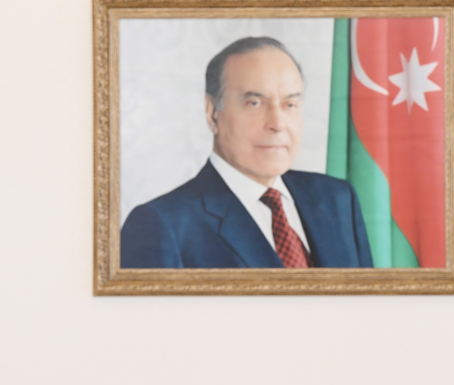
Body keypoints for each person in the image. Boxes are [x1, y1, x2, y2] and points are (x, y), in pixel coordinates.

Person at [121, 37, 373, 269]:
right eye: (255, 103)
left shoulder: (338, 199)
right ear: (212, 113)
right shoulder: (160, 226)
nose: (277, 123)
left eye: (290, 104)